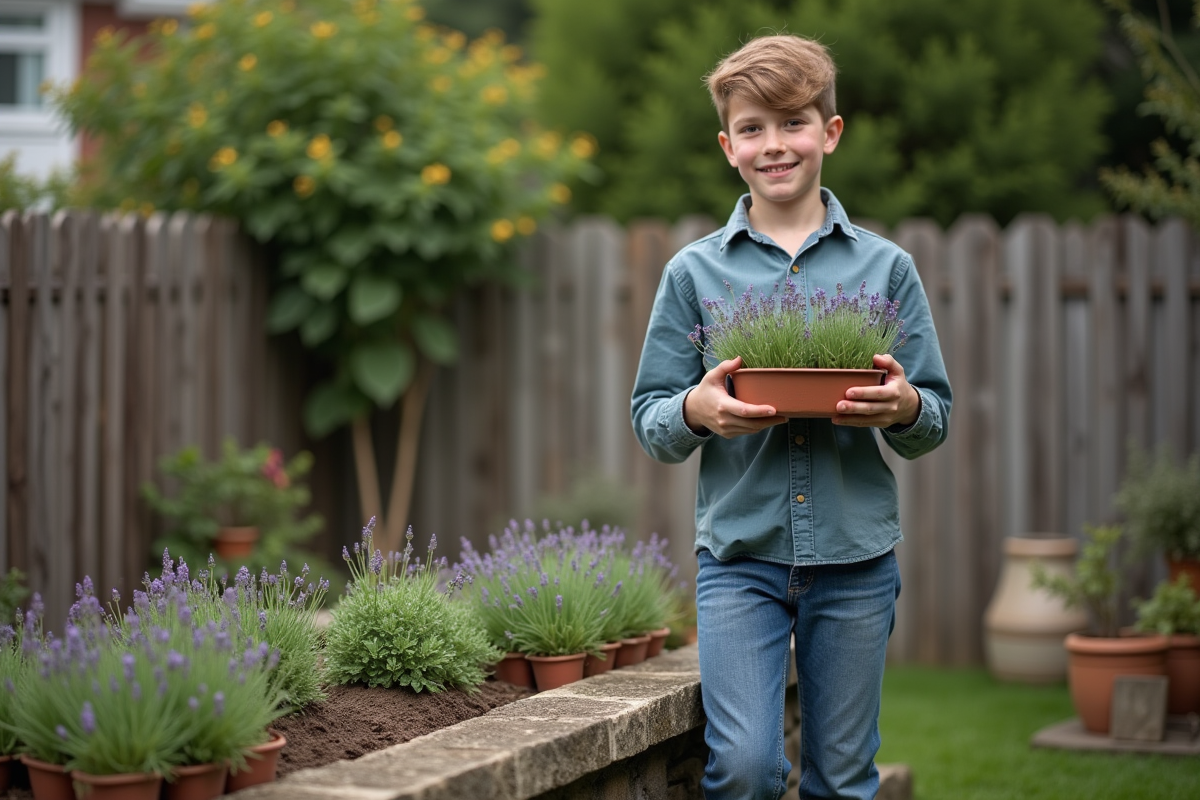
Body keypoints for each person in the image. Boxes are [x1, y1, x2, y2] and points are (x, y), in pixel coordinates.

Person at [630, 34, 952, 800]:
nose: (774, 145)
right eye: (752, 128)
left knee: (842, 778)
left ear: (830, 133)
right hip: (740, 563)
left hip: (856, 562)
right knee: (744, 768)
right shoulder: (694, 272)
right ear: (728, 146)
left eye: (793, 123)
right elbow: (651, 416)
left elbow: (933, 412)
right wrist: (699, 411)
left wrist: (903, 405)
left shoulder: (885, 269)